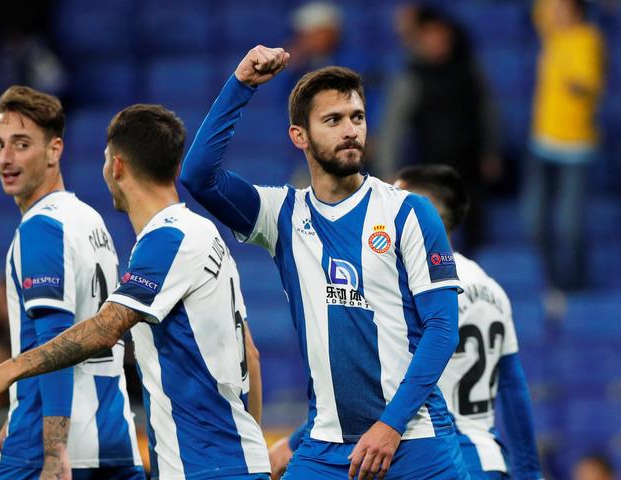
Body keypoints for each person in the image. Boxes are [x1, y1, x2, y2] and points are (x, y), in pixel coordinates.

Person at [180, 46, 468, 479]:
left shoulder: (408, 212)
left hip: (415, 441)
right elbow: (198, 176)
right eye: (333, 121)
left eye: (357, 117)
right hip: (328, 449)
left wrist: (390, 424)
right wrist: (240, 85)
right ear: (300, 136)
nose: (350, 130)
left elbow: (443, 328)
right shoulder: (281, 216)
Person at [0, 103, 271, 479]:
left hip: (201, 466)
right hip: (212, 458)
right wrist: (253, 455)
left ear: (116, 166)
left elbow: (104, 328)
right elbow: (251, 353)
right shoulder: (201, 233)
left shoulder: (166, 240)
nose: (5, 156)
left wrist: (7, 372)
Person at [269, 166, 543, 480]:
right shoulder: (492, 290)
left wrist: (294, 442)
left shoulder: (415, 291)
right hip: (489, 460)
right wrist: (531, 472)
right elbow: (512, 385)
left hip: (433, 454)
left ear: (424, 211)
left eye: (397, 196)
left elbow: (386, 384)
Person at [0, 86, 144, 480]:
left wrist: (54, 452)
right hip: (113, 440)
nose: (5, 158)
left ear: (54, 150)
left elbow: (56, 339)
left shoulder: (41, 229)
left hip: (48, 450)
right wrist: (12, 420)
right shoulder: (91, 221)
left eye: (21, 144)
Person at [375, 5, 501, 252]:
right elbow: (393, 128)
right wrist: (388, 170)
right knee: (435, 237)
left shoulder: (468, 70)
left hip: (470, 166)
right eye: (431, 35)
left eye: (443, 35)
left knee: (474, 234)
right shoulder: (411, 77)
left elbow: (488, 113)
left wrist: (491, 151)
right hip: (430, 168)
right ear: (420, 39)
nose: (438, 41)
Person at [523, 0, 604, 293]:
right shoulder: (551, 33)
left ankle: (575, 284)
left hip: (575, 147)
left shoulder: (587, 38)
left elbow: (588, 84)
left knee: (569, 225)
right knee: (532, 220)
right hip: (542, 143)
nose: (554, 13)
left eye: (562, 9)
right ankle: (553, 280)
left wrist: (577, 86)